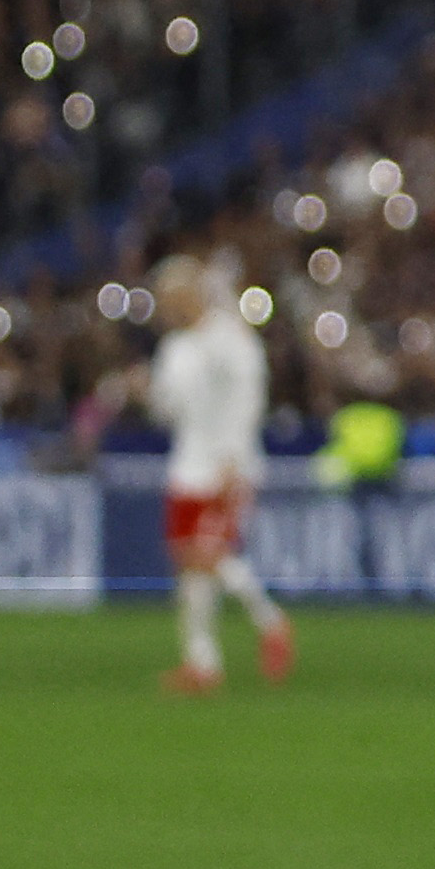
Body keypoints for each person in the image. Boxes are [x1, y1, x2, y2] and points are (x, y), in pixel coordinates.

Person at [150, 257, 294, 696]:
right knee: (188, 562)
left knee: (206, 554)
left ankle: (270, 621)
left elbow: (250, 399)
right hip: (187, 464)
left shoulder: (229, 339)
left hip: (226, 464)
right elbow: (165, 410)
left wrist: (235, 454)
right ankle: (202, 663)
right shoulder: (176, 349)